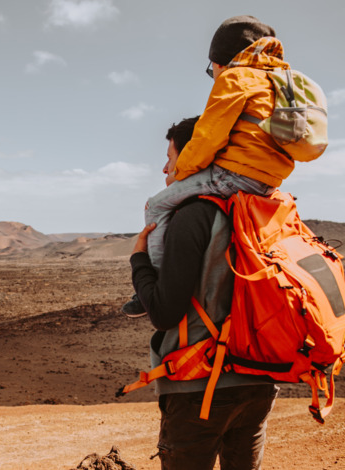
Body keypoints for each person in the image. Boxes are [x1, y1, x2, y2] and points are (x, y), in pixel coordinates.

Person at [128, 119, 279, 469]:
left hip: (201, 388)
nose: (165, 167)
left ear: (195, 156)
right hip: (259, 379)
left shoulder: (193, 215)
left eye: (171, 156)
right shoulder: (257, 209)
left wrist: (139, 260)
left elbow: (165, 313)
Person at [122, 15, 293, 317]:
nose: (165, 168)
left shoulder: (234, 79)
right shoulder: (277, 84)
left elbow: (207, 138)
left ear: (220, 62)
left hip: (237, 175)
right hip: (270, 179)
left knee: (155, 206)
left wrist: (182, 172)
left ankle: (155, 279)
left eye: (169, 158)